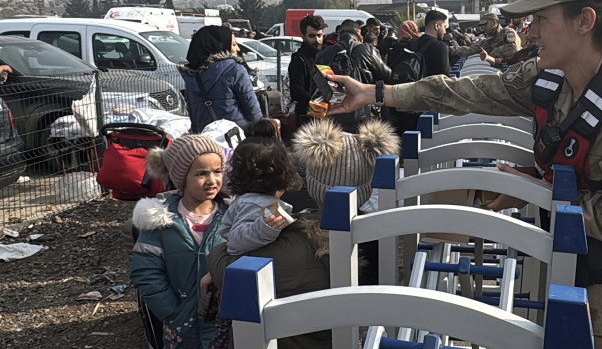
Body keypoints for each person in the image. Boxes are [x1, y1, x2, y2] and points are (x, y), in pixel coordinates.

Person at [326, 0, 602, 349]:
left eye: (542, 19)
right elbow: (467, 91)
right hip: (558, 256)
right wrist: (377, 93)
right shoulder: (549, 80)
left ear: (585, 21)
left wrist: (536, 191)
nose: (530, 31)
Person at [205, 119, 400, 349]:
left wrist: (217, 251)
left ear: (314, 183)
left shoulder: (297, 242)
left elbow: (229, 271)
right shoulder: (381, 235)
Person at [129, 135, 229, 349]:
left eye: (217, 171)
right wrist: (172, 311)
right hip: (182, 327)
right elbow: (145, 271)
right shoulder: (159, 220)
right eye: (201, 174)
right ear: (181, 177)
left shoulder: (233, 216)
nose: (212, 180)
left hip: (226, 323)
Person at [219, 119, 303, 256]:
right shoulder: (257, 204)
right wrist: (264, 229)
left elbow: (226, 231)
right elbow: (236, 241)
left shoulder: (247, 200)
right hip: (251, 268)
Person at [180, 25, 262, 134]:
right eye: (233, 44)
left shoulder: (192, 75)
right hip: (235, 136)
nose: (237, 49)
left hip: (206, 139)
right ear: (220, 46)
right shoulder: (235, 70)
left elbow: (193, 114)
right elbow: (252, 110)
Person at [316, 27, 392, 132]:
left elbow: (316, 87)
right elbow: (387, 75)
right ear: (359, 38)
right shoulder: (367, 50)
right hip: (363, 112)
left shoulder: (324, 54)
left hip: (333, 114)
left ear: (338, 37)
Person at [289, 15, 325, 127]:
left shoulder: (326, 55)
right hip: (307, 119)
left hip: (326, 117)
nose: (317, 40)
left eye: (319, 35)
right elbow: (296, 92)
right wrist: (321, 99)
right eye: (312, 36)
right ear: (303, 37)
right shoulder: (298, 60)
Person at [449, 12, 520, 58]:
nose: (483, 27)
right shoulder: (489, 40)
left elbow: (513, 48)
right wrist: (451, 49)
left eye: (485, 24)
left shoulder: (508, 32)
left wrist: (491, 54)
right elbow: (471, 50)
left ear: (494, 23)